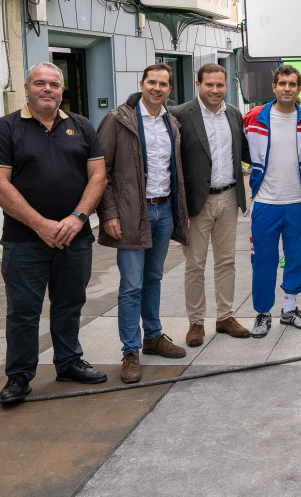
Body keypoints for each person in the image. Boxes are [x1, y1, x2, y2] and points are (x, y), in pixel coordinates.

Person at [0, 62, 108, 403]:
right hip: (25, 241)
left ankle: (68, 362)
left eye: (54, 84)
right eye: (39, 83)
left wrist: (78, 218)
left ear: (62, 90)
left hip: (74, 237)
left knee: (70, 304)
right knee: (23, 311)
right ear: (27, 88)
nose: (47, 89)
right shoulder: (5, 128)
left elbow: (98, 176)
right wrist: (41, 225)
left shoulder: (81, 126)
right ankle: (19, 375)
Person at [97, 63, 190, 385]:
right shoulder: (117, 120)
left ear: (169, 89)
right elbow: (100, 171)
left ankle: (152, 336)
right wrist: (108, 213)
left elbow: (174, 170)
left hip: (163, 211)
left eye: (163, 84)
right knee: (131, 285)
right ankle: (130, 351)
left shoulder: (170, 122)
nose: (157, 88)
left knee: (153, 278)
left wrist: (180, 210)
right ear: (141, 83)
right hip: (130, 214)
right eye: (152, 82)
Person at [170, 63, 252, 346]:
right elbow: (172, 161)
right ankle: (195, 322)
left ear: (226, 86)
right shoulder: (180, 114)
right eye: (209, 84)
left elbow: (245, 152)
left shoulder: (234, 114)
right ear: (198, 85)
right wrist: (180, 207)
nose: (215, 90)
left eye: (219, 85)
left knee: (226, 262)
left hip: (229, 197)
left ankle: (225, 317)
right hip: (196, 203)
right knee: (195, 264)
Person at [244, 64, 301, 337]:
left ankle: (289, 309)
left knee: (298, 258)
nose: (287, 88)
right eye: (282, 84)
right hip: (265, 202)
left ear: (299, 89)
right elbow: (240, 150)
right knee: (263, 261)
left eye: (292, 84)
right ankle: (263, 313)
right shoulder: (253, 118)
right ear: (274, 87)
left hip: (299, 203)